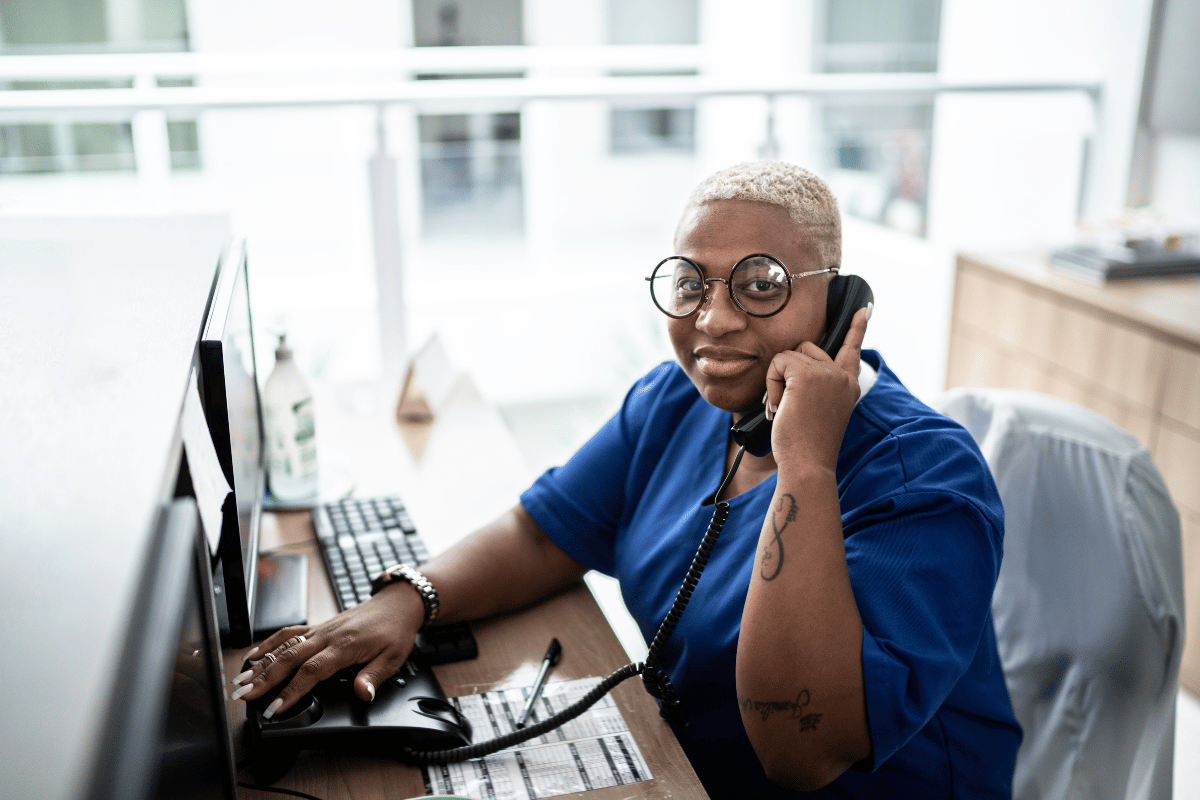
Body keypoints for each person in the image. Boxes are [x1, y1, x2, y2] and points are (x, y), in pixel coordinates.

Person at [235, 161, 1022, 798]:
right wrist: (405, 601)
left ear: (841, 300)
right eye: (690, 282)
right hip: (682, 768)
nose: (712, 319)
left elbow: (798, 752)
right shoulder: (678, 399)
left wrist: (806, 465)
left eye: (761, 283)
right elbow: (544, 532)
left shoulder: (925, 480)